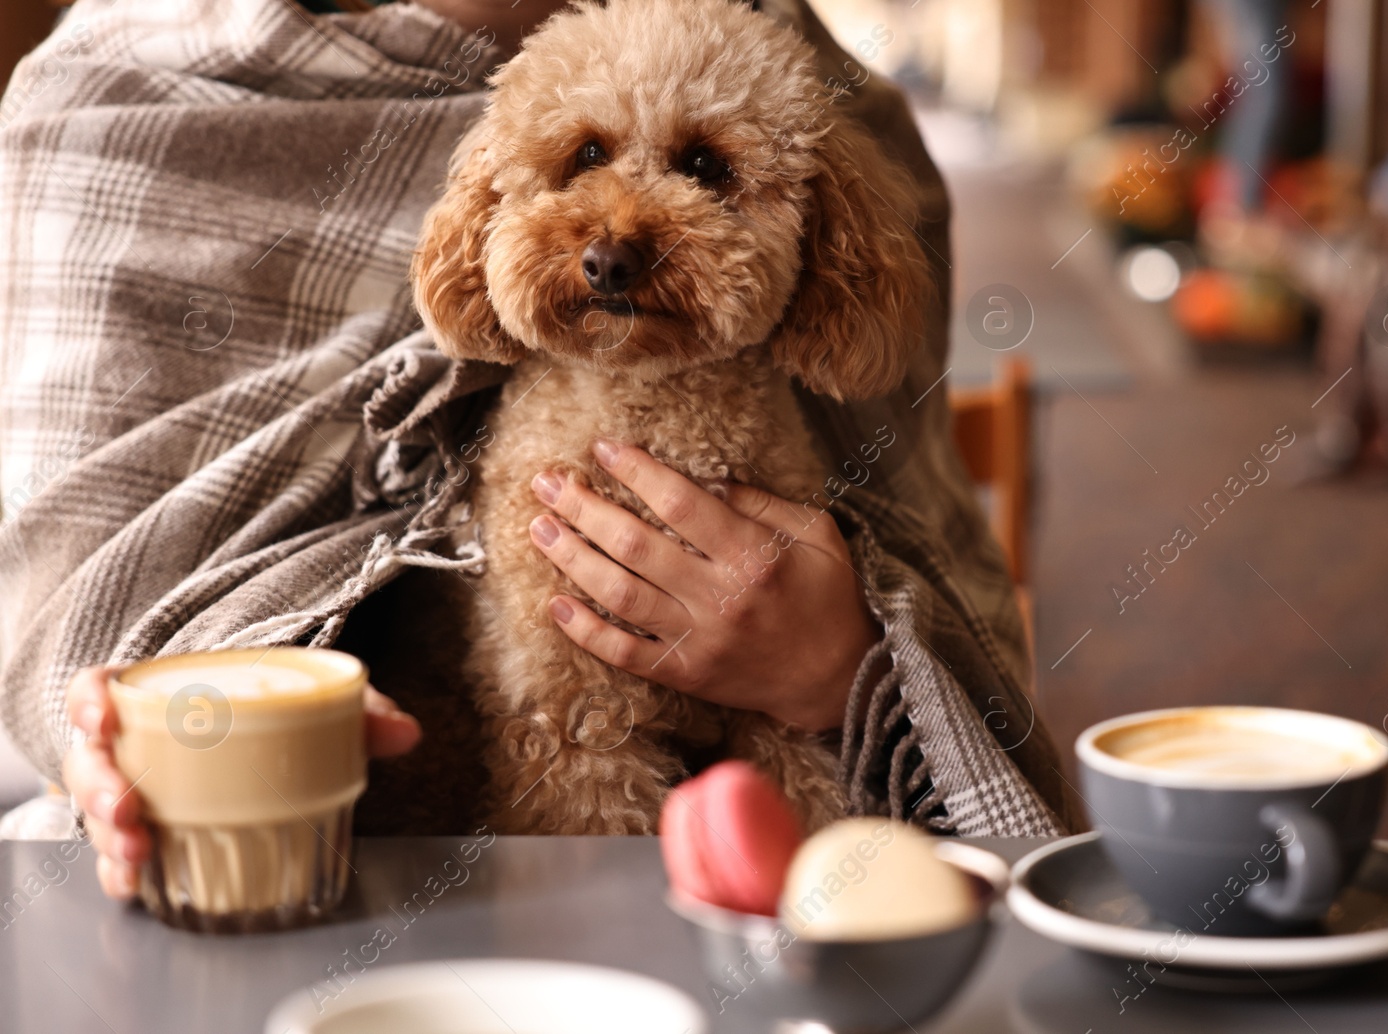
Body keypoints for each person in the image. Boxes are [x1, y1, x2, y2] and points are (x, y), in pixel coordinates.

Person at [0, 0, 1072, 901]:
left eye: (701, 168)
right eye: (585, 160)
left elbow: (935, 566)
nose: (612, 238)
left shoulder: (828, 99)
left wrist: (843, 665)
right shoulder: (120, 101)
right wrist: (169, 716)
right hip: (280, 866)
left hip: (755, 900)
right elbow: (75, 607)